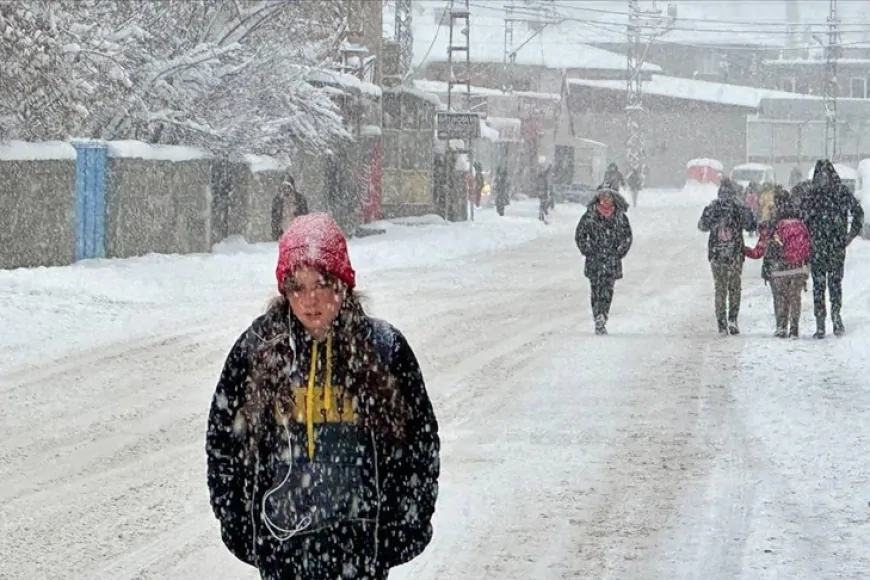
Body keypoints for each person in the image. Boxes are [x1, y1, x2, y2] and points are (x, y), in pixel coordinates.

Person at [206, 213, 440, 580]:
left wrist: (405, 523)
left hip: (359, 550)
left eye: (322, 284)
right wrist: (240, 526)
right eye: (297, 286)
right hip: (284, 550)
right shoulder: (257, 349)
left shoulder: (383, 349)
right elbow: (223, 441)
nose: (310, 300)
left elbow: (418, 443)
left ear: (343, 284)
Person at [801, 159, 864, 337]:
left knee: (820, 285)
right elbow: (858, 213)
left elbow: (803, 219)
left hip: (819, 246)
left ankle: (822, 323)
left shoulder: (812, 194)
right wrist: (848, 236)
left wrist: (809, 237)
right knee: (834, 284)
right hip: (834, 246)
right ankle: (834, 318)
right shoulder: (840, 191)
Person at [744, 188, 811, 338]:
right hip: (798, 267)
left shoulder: (771, 224)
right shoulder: (801, 221)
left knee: (780, 297)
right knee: (795, 297)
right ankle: (794, 328)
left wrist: (744, 250)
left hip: (778, 268)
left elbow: (759, 251)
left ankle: (781, 326)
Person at [698, 178, 757, 335]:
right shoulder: (738, 207)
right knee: (734, 287)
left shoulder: (713, 207)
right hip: (735, 253)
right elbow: (751, 225)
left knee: (720, 288)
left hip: (717, 254)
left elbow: (702, 226)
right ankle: (733, 318)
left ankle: (721, 323)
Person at [574, 186, 633, 335]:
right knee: (596, 290)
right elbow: (580, 235)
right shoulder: (590, 215)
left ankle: (604, 314)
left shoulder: (620, 216)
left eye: (609, 197)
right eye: (603, 196)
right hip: (595, 260)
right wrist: (588, 250)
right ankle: (597, 317)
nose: (606, 200)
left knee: (607, 290)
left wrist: (620, 251)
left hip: (612, 260)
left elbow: (627, 237)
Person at [271, 174, 310, 241]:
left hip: (297, 233)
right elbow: (274, 218)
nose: (286, 189)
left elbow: (305, 217)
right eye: (284, 187)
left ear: (292, 186)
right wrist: (275, 233)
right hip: (283, 234)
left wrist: (304, 232)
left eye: (288, 186)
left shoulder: (300, 199)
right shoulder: (277, 200)